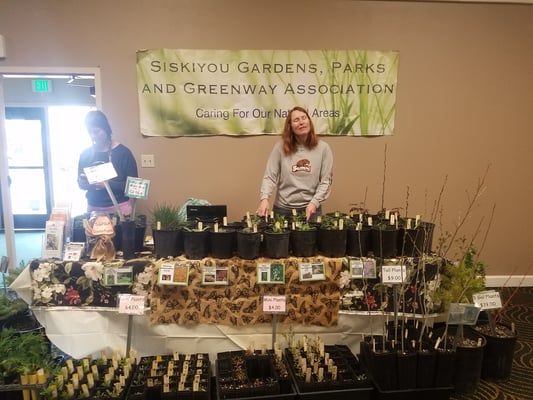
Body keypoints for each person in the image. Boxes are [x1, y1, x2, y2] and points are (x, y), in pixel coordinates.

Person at [256, 106, 333, 221]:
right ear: (290, 127)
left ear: (309, 122)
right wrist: (264, 199)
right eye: (296, 120)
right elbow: (270, 176)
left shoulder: (323, 148)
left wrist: (314, 203)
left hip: (311, 209)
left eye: (304, 118)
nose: (301, 122)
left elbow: (326, 181)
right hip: (282, 210)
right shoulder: (280, 147)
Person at [77, 110, 138, 216]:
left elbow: (135, 187)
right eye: (90, 132)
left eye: (96, 131)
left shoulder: (123, 153)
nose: (93, 136)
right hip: (93, 210)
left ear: (106, 128)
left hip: (120, 210)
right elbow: (81, 184)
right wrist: (83, 183)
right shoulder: (85, 154)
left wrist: (107, 184)